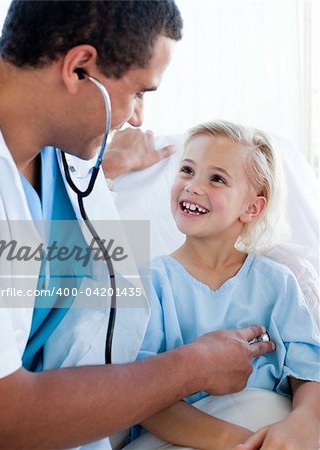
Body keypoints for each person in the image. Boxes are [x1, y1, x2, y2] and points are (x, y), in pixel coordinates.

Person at [0, 2, 274, 449]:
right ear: (79, 68)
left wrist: (107, 166)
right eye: (140, 92)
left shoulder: (53, 143)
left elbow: (27, 238)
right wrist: (193, 368)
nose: (139, 117)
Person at [132, 120, 320, 449]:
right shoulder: (150, 283)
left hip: (268, 427)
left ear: (252, 207)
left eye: (216, 178)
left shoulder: (276, 283)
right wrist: (242, 443)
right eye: (187, 170)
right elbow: (141, 398)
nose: (193, 186)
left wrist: (302, 422)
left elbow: (309, 370)